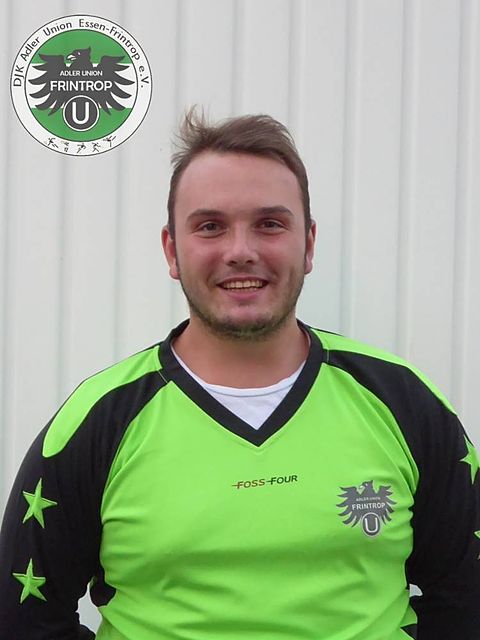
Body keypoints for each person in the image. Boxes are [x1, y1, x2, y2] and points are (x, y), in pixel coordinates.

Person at [0, 109, 479, 640]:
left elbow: (466, 598)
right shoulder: (99, 419)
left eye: (270, 224)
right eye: (210, 226)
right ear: (172, 250)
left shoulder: (402, 401)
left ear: (309, 244)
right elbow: (25, 619)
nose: (241, 252)